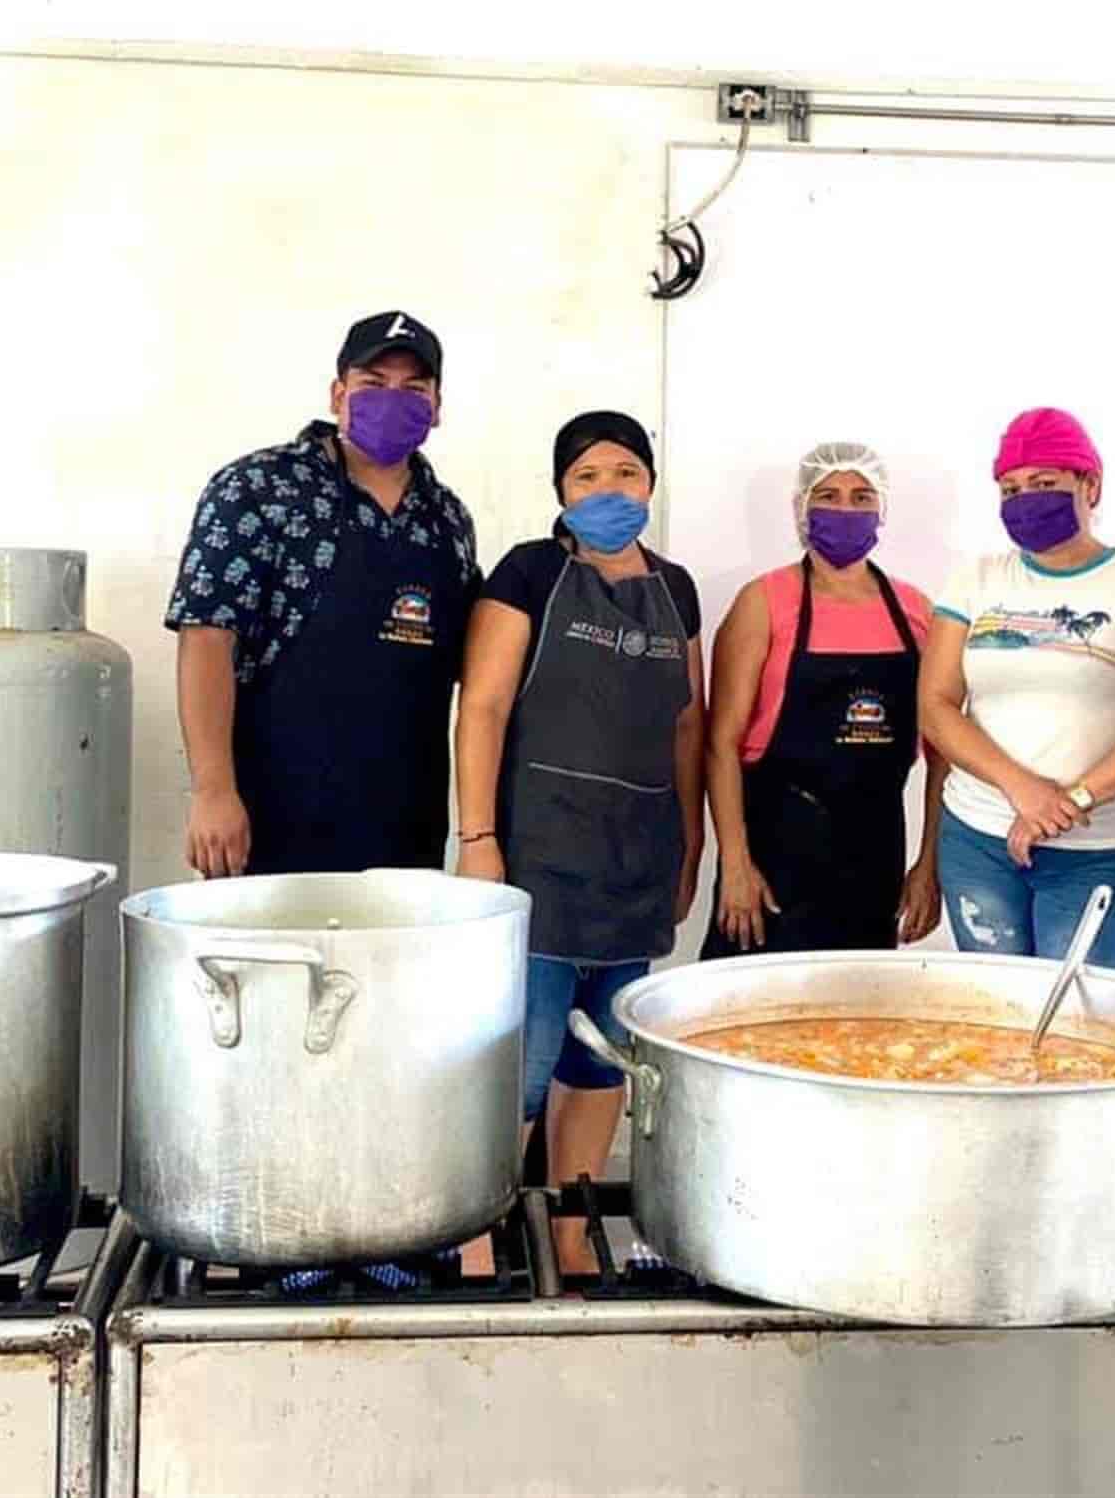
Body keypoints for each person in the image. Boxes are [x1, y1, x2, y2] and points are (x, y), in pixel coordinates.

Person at [455, 410, 705, 1275]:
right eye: (588, 475)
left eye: (626, 473)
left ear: (650, 485)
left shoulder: (677, 589)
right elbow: (481, 707)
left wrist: (693, 846)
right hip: (538, 852)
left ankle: (575, 1245)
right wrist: (477, 836)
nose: (608, 490)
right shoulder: (528, 572)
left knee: (601, 1060)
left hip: (636, 858)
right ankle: (479, 1252)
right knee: (517, 1070)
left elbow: (687, 727)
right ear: (560, 488)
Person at [165, 311, 479, 877]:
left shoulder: (448, 518)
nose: (394, 398)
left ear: (436, 405)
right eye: (373, 384)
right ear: (339, 395)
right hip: (270, 822)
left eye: (413, 388)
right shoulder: (257, 488)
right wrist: (212, 792)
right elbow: (206, 639)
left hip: (408, 836)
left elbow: (473, 671)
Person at [918, 409, 1115, 970]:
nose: (1025, 498)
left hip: (1090, 853)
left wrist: (1070, 801)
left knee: (1081, 1026)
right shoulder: (975, 579)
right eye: (1010, 488)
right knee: (997, 1017)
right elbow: (935, 705)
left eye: (1044, 484)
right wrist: (1023, 789)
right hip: (977, 840)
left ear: (1090, 485)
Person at [703, 443, 947, 954]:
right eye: (829, 495)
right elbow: (719, 744)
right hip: (775, 853)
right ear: (801, 508)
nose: (846, 509)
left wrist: (929, 864)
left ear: (882, 510)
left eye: (862, 497)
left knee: (854, 1021)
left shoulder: (916, 611)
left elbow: (945, 753)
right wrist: (735, 864)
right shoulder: (764, 601)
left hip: (875, 853)